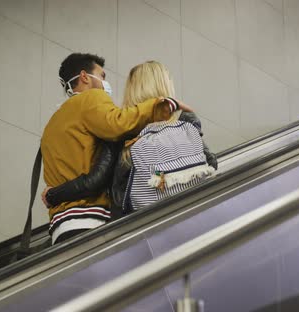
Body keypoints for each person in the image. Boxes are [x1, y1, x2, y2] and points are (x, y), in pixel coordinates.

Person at [41, 55, 190, 245]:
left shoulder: (53, 122)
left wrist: (54, 195)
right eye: (101, 76)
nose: (105, 83)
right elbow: (118, 123)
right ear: (85, 77)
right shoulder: (91, 98)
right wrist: (159, 105)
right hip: (89, 220)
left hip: (60, 226)